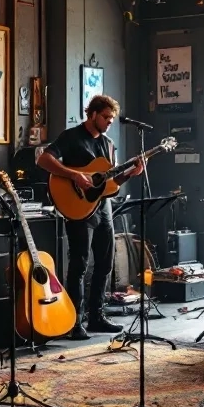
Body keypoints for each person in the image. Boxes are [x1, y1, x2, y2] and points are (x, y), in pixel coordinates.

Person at [37, 94, 144, 339]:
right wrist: (74, 175)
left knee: (105, 263)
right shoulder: (71, 137)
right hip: (77, 208)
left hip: (103, 207)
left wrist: (130, 174)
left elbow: (110, 183)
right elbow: (44, 159)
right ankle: (74, 321)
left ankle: (97, 316)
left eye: (112, 118)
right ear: (93, 114)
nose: (109, 122)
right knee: (80, 264)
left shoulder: (108, 144)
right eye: (106, 117)